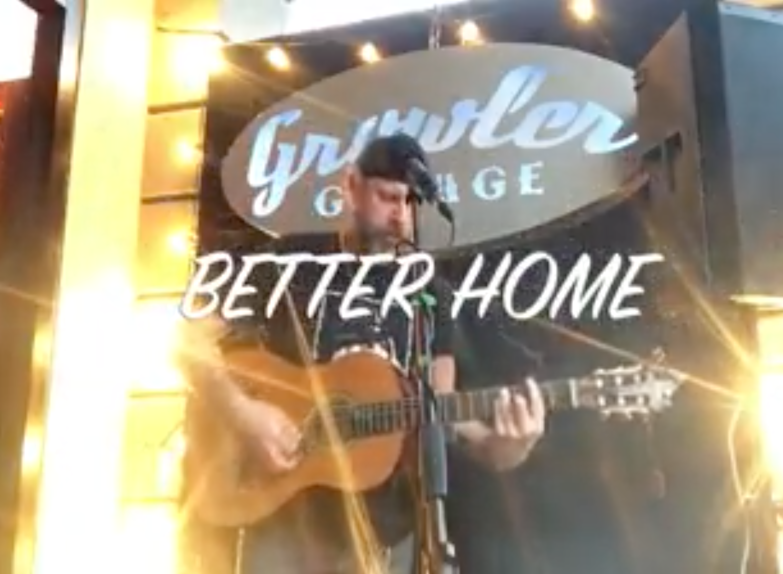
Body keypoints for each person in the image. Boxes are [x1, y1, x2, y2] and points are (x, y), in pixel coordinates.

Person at [181, 134, 548, 574]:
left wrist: (503, 447)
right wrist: (241, 412)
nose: (401, 216)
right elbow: (187, 339)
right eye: (389, 197)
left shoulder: (429, 292)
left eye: (411, 202)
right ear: (351, 185)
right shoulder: (290, 261)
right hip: (284, 522)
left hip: (382, 535)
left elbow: (437, 412)